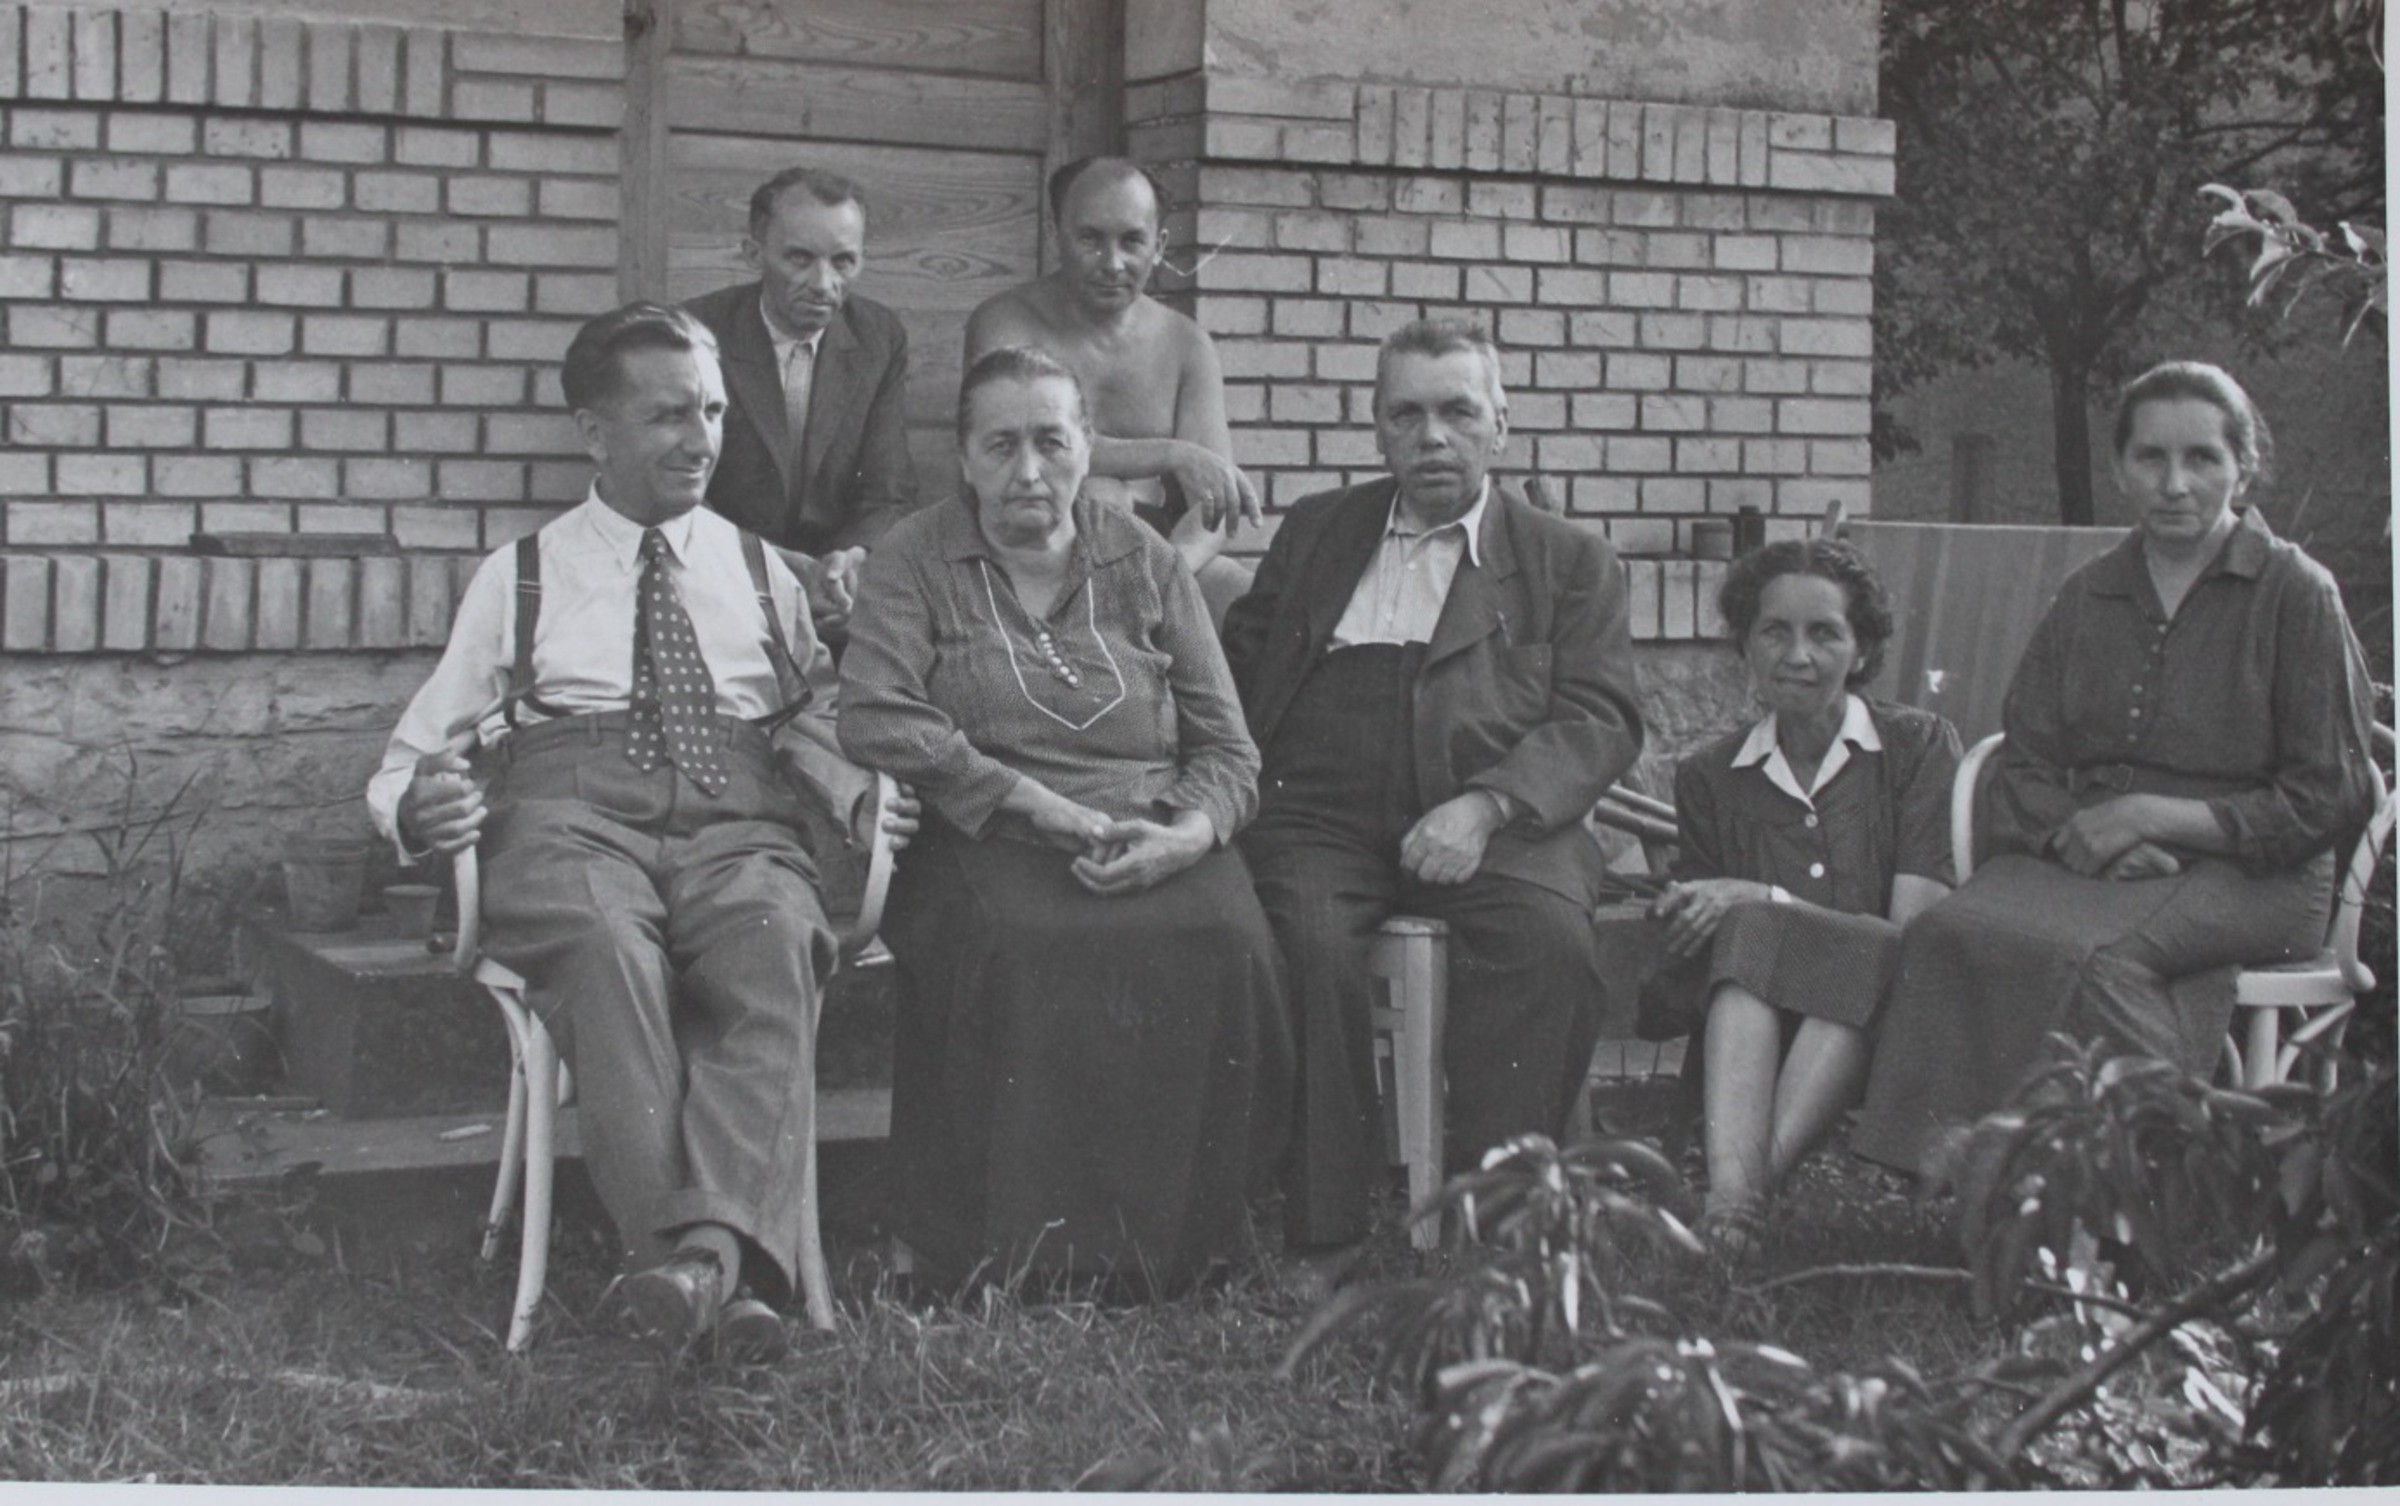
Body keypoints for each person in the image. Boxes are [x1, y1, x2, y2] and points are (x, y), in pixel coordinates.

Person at [367, 303, 915, 1359]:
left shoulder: (763, 571)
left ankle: (693, 1275)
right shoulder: (523, 574)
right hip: (571, 818)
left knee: (775, 941)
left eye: (711, 412)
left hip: (736, 820)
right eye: (668, 416)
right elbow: (410, 759)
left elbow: (810, 721)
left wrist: (857, 790)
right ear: (594, 432)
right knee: (606, 946)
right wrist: (417, 808)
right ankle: (724, 1269)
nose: (700, 440)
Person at [836, 345, 1291, 1291]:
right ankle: (1018, 1254)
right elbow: (876, 711)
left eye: (1051, 441)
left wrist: (1188, 834)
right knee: (1025, 946)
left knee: (1229, 940)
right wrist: (1025, 800)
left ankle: (1192, 1245)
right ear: (964, 458)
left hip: (1152, 823)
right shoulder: (914, 558)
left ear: (1089, 448)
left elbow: (1229, 748)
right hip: (988, 829)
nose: (1028, 471)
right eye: (1000, 446)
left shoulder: (1148, 560)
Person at [1852, 361, 2377, 1173]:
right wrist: (2085, 833)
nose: (2175, 483)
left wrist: (2153, 817)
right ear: (2120, 469)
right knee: (1951, 930)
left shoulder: (2296, 592)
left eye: (2202, 458)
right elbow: (2025, 758)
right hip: (2094, 852)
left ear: (2244, 469)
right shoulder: (2089, 593)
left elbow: (2330, 793)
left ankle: (2155, 1194)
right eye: (2150, 457)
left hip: (2261, 872)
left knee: (2097, 961)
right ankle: (1969, 1179)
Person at [1221, 318, 1644, 1261]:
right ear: (1376, 427)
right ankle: (1326, 1235)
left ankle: (1495, 1230)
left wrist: (1488, 806)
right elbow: (1240, 669)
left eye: (1459, 412)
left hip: (1498, 818)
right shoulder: (1319, 530)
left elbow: (1602, 717)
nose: (1433, 437)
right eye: (1406, 415)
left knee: (1547, 947)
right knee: (1304, 947)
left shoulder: (1568, 560)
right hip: (1318, 814)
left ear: (1502, 423)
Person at [1644, 539, 1959, 1250]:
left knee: (1840, 947)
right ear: (1745, 646)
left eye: (1825, 633)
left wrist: (1766, 896)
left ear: (1862, 648)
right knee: (1746, 937)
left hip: (1884, 1009)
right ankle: (1734, 1211)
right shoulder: (1709, 776)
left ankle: (1737, 1203)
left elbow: (1913, 929)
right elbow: (1703, 944)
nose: (1798, 655)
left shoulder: (1916, 748)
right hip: (1753, 1018)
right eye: (1774, 632)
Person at [964, 156, 1262, 621]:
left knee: (1247, 602)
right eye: (1090, 239)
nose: (1113, 263)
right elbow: (1031, 446)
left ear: (1159, 246)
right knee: (1101, 496)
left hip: (1156, 553)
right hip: (1027, 547)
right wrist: (1173, 454)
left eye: (1132, 241)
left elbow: (1215, 505)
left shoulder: (1186, 343)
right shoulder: (1005, 322)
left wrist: (1166, 573)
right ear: (1055, 236)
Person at [687, 166, 920, 636]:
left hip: (834, 590)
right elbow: (680, 492)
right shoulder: (696, 333)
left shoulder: (879, 337)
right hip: (718, 576)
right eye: (799, 258)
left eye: (843, 261)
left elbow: (887, 490)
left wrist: (849, 560)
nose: (823, 283)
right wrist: (771, 567)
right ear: (754, 253)